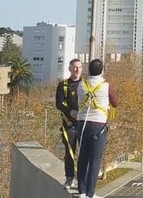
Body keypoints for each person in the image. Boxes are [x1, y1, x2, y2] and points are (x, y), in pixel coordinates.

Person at [76, 59, 119, 198]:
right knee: (94, 160)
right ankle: (90, 192)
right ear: (102, 70)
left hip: (82, 124)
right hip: (98, 126)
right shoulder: (105, 86)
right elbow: (115, 103)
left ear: (89, 69)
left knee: (82, 157)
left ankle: (81, 191)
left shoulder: (81, 84)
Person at [55, 58, 82, 190]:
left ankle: (82, 178)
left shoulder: (86, 85)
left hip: (84, 124)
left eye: (79, 67)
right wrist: (70, 112)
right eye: (74, 67)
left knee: (84, 151)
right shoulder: (63, 85)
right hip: (70, 124)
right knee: (70, 151)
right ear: (70, 68)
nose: (77, 70)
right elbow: (58, 104)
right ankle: (70, 177)